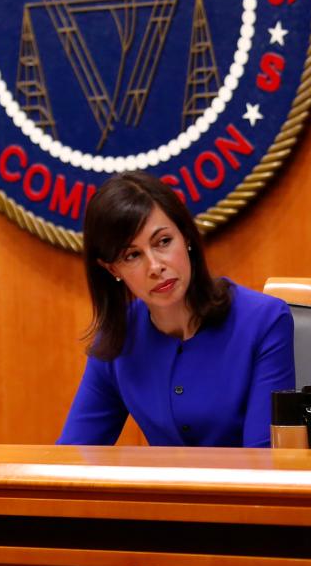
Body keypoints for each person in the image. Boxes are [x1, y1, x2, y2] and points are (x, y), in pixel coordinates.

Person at [58, 171, 295, 447]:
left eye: (163, 242)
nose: (155, 266)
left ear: (186, 237)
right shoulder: (118, 340)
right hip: (163, 491)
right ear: (113, 269)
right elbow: (74, 457)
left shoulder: (264, 321)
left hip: (242, 489)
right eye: (132, 255)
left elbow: (265, 463)